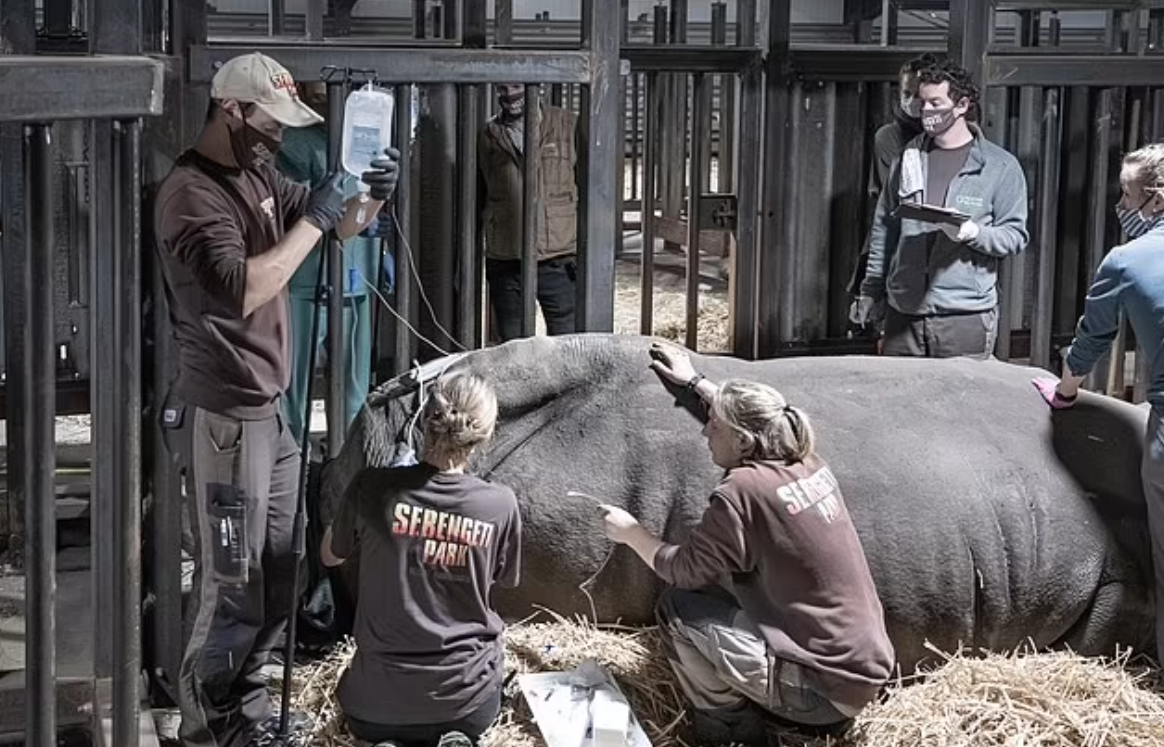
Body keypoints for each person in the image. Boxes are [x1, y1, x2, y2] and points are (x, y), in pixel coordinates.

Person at [152, 51, 399, 747]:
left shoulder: (259, 171)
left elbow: (343, 224)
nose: (279, 137)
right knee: (230, 581)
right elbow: (246, 288)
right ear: (230, 110)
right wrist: (318, 220)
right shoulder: (190, 195)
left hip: (271, 411)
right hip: (224, 416)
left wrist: (373, 194)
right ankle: (206, 723)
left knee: (285, 567)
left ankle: (248, 706)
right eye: (269, 124)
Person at [596, 342, 895, 746]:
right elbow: (755, 416)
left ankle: (731, 732)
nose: (705, 430)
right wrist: (695, 383)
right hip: (862, 668)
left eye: (714, 426)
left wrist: (632, 533)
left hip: (821, 690)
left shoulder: (741, 491)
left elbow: (683, 570)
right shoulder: (806, 460)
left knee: (677, 610)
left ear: (741, 441)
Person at [320, 373, 522, 747]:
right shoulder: (500, 504)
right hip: (469, 702)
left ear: (424, 422)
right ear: (486, 434)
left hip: (374, 707)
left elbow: (329, 555)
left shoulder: (371, 486)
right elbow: (499, 578)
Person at [1033, 142, 1164, 664]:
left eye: (1127, 194)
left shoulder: (1128, 261)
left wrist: (1065, 392)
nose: (1122, 205)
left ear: (1154, 200)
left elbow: (1092, 340)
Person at [851, 58, 1030, 359]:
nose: (926, 112)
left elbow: (1015, 236)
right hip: (904, 311)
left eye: (936, 103)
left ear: (961, 105)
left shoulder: (999, 167)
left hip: (964, 315)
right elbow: (884, 229)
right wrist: (871, 291)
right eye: (923, 103)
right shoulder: (908, 159)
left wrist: (974, 233)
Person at [276, 81, 394, 447]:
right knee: (292, 393)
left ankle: (345, 463)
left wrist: (377, 231)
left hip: (357, 276)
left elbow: (356, 211)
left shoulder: (371, 139)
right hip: (305, 279)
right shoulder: (296, 143)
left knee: (355, 391)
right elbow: (298, 209)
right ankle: (292, 469)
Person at [478, 83, 580, 342]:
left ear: (536, 86)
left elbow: (594, 187)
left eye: (516, 86)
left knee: (568, 346)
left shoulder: (568, 125)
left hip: (558, 256)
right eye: (502, 88)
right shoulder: (487, 133)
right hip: (507, 258)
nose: (510, 95)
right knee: (514, 349)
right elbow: (478, 193)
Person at [847, 52, 937, 326]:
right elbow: (893, 209)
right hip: (899, 244)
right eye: (905, 93)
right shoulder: (889, 138)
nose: (910, 102)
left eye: (917, 95)